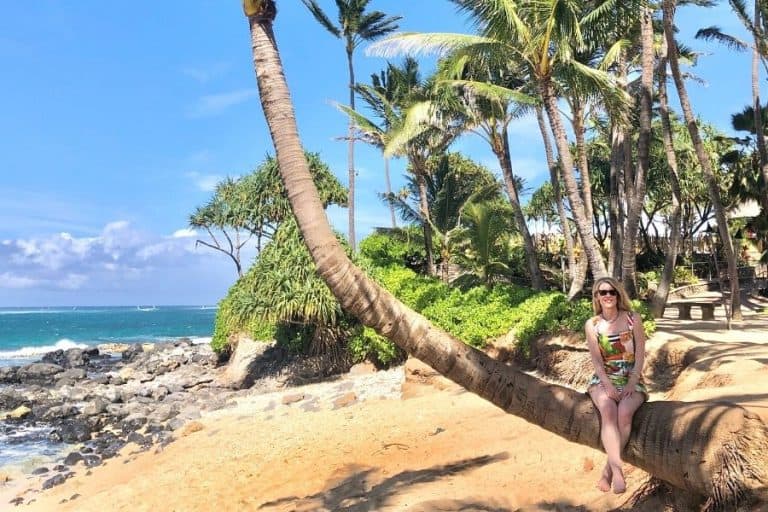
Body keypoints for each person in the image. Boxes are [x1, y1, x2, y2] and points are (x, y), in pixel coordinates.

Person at [585, 277, 648, 494]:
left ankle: (607, 471)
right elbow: (596, 361)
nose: (608, 296)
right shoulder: (593, 325)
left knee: (625, 413)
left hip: (631, 376)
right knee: (608, 410)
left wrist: (632, 381)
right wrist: (608, 386)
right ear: (597, 297)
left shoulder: (633, 319)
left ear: (618, 294)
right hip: (604, 379)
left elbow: (640, 355)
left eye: (612, 291)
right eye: (603, 292)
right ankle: (618, 471)